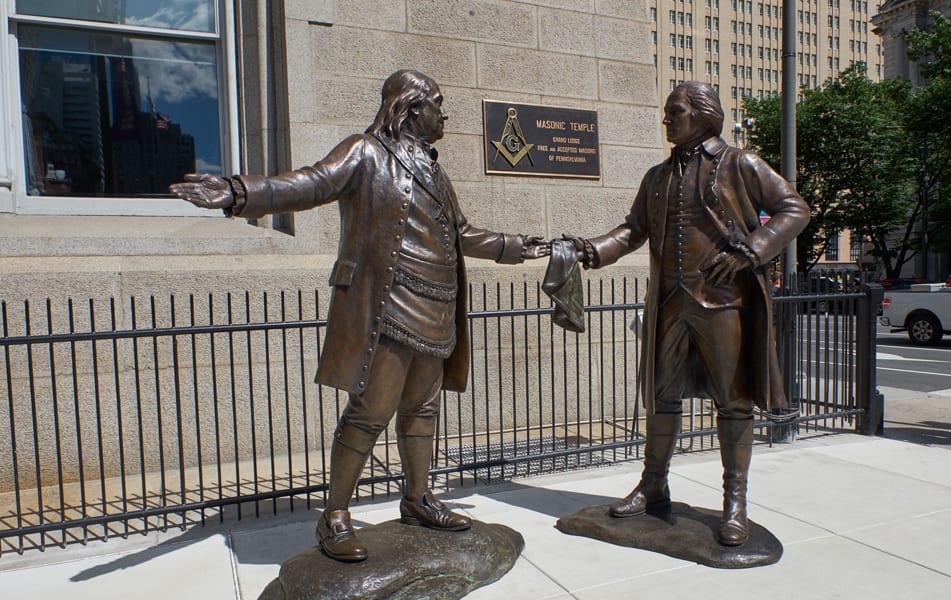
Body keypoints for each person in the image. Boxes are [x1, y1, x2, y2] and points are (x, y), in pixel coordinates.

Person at [170, 70, 549, 562]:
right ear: (412, 108)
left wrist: (517, 247)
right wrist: (240, 192)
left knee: (423, 411)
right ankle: (335, 517)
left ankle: (418, 499)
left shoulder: (435, 171)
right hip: (388, 305)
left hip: (436, 308)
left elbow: (462, 233)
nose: (445, 112)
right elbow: (309, 183)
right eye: (437, 102)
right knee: (369, 414)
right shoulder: (365, 152)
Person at [563, 81, 808, 546]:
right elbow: (633, 230)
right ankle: (654, 484)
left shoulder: (740, 163)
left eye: (674, 111)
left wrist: (753, 250)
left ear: (701, 114)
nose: (666, 120)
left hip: (721, 302)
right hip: (669, 303)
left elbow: (794, 209)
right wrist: (590, 250)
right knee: (661, 397)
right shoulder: (657, 176)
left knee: (733, 402)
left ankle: (734, 502)